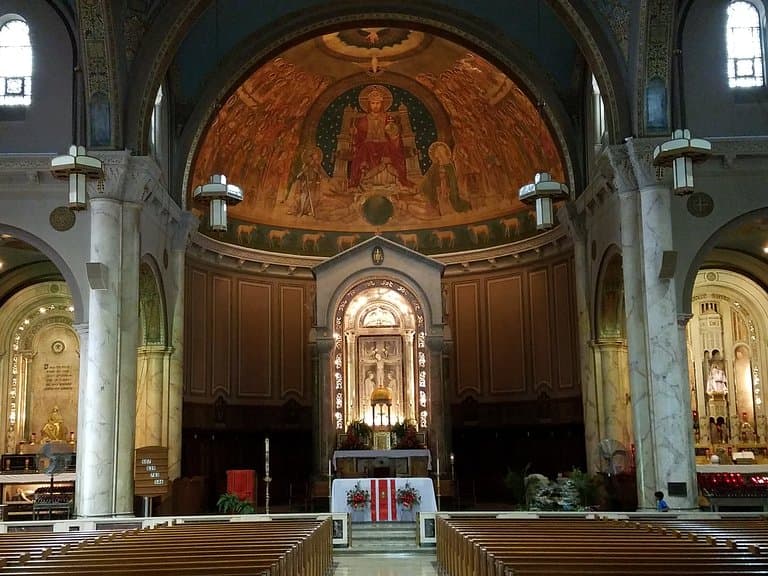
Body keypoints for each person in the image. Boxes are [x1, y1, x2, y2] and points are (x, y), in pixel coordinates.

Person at [348, 85, 412, 189]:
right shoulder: (363, 120)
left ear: (382, 104)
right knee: (364, 148)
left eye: (378, 103)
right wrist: (355, 133)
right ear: (369, 104)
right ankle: (361, 180)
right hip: (368, 146)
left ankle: (393, 179)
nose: (375, 106)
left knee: (387, 146)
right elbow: (359, 138)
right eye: (373, 103)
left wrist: (394, 135)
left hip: (385, 145)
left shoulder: (388, 118)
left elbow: (394, 135)